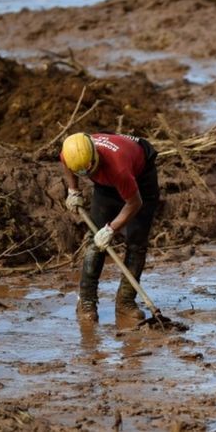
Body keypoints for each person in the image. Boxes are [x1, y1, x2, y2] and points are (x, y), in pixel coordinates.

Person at [61, 132, 160, 322]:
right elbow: (66, 163)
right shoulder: (72, 152)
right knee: (94, 241)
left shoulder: (118, 168)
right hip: (106, 182)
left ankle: (125, 302)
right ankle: (87, 301)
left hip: (140, 178)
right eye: (81, 173)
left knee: (136, 243)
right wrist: (73, 190)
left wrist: (111, 229)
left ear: (95, 157)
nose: (86, 176)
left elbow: (134, 203)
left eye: (88, 170)